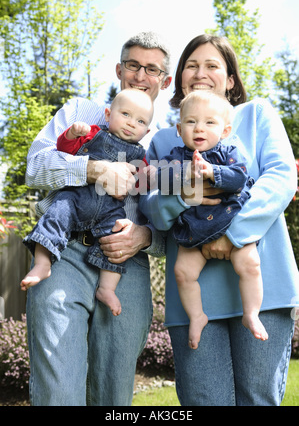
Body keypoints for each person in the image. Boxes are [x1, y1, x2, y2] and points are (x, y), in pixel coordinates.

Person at [140, 34, 299, 406]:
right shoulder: (166, 139)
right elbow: (152, 205)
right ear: (179, 79)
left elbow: (280, 178)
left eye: (212, 65)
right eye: (191, 66)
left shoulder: (256, 115)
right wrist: (184, 196)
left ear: (230, 79)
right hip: (193, 293)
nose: (200, 73)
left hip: (264, 282)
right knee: (202, 399)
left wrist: (233, 236)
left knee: (258, 398)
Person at [25, 31, 172, 406]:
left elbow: (180, 218)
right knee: (58, 388)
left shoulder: (167, 142)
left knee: (113, 392)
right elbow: (35, 167)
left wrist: (144, 237)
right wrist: (93, 169)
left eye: (151, 69)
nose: (141, 75)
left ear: (165, 81)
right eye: (134, 65)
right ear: (119, 69)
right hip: (65, 253)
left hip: (125, 267)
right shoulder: (80, 113)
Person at [22, 89, 154, 317]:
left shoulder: (140, 155)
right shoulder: (93, 133)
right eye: (125, 114)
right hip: (76, 198)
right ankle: (43, 264)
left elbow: (139, 187)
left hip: (110, 209)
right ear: (108, 114)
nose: (131, 124)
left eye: (140, 121)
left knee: (114, 245)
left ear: (147, 130)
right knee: (55, 217)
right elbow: (65, 151)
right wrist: (72, 135)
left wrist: (149, 177)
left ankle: (107, 288)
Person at [155, 90, 267, 349]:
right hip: (194, 230)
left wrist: (212, 171)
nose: (199, 128)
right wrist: (185, 174)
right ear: (179, 128)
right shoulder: (176, 155)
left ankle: (251, 313)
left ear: (225, 130)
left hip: (229, 224)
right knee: (182, 273)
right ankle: (197, 316)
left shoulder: (228, 152)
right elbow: (161, 182)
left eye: (209, 122)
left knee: (250, 264)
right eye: (191, 122)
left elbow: (239, 178)